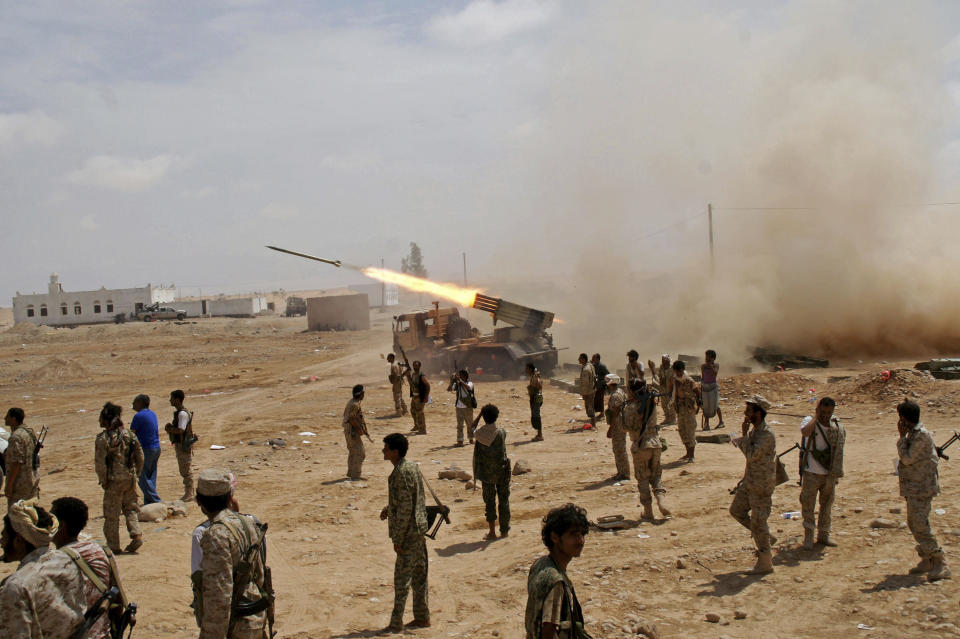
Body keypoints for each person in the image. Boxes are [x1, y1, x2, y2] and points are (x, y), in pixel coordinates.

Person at [0, 496, 130, 639]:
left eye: (3, 535)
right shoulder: (69, 561)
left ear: (18, 540)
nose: (1, 540)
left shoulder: (16, 587)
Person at [195, 468, 272, 638]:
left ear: (198, 501)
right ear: (230, 497)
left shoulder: (216, 534)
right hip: (256, 614)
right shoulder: (248, 522)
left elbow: (219, 593)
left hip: (236, 623)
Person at [379, 433, 429, 631]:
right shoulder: (411, 467)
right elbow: (408, 498)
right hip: (419, 529)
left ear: (395, 452)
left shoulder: (400, 473)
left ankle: (395, 623)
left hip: (408, 534)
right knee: (420, 576)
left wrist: (398, 539)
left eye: (386, 448)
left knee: (402, 580)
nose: (383, 451)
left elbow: (407, 507)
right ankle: (422, 617)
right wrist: (389, 509)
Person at [896, 399, 950, 581]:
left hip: (922, 487)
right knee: (913, 523)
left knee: (920, 524)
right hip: (914, 486)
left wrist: (901, 438)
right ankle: (927, 558)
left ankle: (939, 560)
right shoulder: (915, 433)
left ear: (904, 419)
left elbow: (907, 459)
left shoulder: (921, 435)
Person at [524, 503, 591, 639]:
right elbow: (548, 631)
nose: (581, 541)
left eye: (582, 534)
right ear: (555, 537)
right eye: (573, 535)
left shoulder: (541, 564)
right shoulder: (556, 582)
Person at [730, 395, 777, 574]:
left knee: (759, 521)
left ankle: (765, 561)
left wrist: (742, 438)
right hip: (751, 481)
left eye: (749, 410)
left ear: (758, 412)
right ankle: (766, 537)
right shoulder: (755, 432)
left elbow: (751, 455)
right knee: (736, 511)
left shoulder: (766, 434)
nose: (745, 413)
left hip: (761, 484)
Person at [94, 402, 144, 554]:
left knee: (111, 514)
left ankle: (113, 546)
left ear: (106, 419)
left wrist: (104, 481)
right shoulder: (130, 435)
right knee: (131, 509)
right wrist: (137, 473)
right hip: (129, 478)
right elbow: (140, 456)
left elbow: (100, 464)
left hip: (113, 481)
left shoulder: (103, 439)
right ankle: (136, 535)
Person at [798, 397, 845, 550]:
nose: (826, 415)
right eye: (823, 412)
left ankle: (824, 535)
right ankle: (809, 536)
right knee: (808, 505)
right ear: (818, 409)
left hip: (829, 473)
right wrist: (816, 418)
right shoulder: (809, 420)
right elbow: (805, 432)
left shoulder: (836, 424)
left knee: (826, 505)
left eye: (829, 412)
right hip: (811, 471)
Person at [623, 379, 670, 520]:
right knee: (656, 475)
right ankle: (662, 502)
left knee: (642, 477)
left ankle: (648, 511)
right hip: (655, 443)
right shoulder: (652, 403)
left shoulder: (631, 408)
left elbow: (625, 427)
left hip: (641, 445)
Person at [471, 404, 510, 540]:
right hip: (502, 472)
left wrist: (480, 415)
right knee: (504, 501)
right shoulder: (502, 432)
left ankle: (492, 532)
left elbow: (472, 428)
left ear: (484, 417)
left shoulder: (479, 434)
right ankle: (504, 531)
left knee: (490, 502)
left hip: (487, 474)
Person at [1, 498, 55, 573]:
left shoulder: (17, 582)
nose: (1, 543)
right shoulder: (64, 560)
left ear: (18, 540)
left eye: (3, 537)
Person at [4, 407, 40, 509]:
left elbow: (16, 463)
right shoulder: (28, 431)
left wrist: (9, 486)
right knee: (30, 511)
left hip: (20, 482)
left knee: (17, 513)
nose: (5, 418)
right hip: (32, 478)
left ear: (14, 419)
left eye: (8, 416)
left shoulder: (16, 437)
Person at [165, 389, 196, 502]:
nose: (170, 400)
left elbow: (181, 430)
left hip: (183, 445)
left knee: (186, 469)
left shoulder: (182, 414)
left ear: (177, 399)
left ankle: (189, 493)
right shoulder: (181, 413)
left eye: (172, 398)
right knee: (184, 468)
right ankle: (189, 492)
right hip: (181, 444)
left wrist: (169, 429)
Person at [130, 394, 162, 504]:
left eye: (135, 402)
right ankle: (150, 502)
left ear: (140, 403)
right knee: (150, 476)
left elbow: (131, 434)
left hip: (146, 449)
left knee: (142, 478)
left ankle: (157, 501)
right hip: (155, 447)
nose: (133, 404)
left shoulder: (138, 416)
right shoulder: (152, 413)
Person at [672, 361, 699, 462]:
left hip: (689, 409)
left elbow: (697, 392)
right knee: (682, 430)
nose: (678, 373)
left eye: (679, 371)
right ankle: (688, 453)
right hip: (680, 409)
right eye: (676, 371)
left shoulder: (689, 381)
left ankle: (691, 455)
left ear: (682, 370)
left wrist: (698, 406)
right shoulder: (675, 380)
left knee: (690, 431)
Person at [604, 374, 630, 480]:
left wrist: (610, 429)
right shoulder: (620, 392)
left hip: (618, 425)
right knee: (619, 448)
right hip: (620, 423)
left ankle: (624, 473)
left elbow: (616, 412)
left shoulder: (615, 395)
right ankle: (621, 472)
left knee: (619, 449)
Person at [342, 384, 368, 480]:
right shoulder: (355, 404)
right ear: (361, 394)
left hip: (348, 430)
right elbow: (352, 418)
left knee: (353, 451)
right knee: (360, 452)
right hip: (352, 431)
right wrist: (360, 430)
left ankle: (351, 473)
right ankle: (356, 475)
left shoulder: (352, 402)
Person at [446, 369, 476, 446]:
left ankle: (471, 439)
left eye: (461, 375)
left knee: (470, 424)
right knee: (460, 425)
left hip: (468, 407)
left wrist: (459, 380)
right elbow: (449, 389)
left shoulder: (470, 383)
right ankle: (460, 440)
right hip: (459, 407)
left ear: (465, 376)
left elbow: (468, 388)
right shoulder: (457, 384)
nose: (460, 376)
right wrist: (452, 381)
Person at [700, 350, 724, 431]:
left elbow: (715, 374)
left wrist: (710, 366)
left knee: (715, 404)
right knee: (705, 405)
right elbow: (703, 377)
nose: (707, 358)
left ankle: (721, 422)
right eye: (706, 357)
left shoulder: (716, 365)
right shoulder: (703, 366)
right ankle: (706, 424)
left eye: (709, 357)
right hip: (705, 387)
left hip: (713, 387)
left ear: (713, 358)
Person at [404, 361, 430, 435]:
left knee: (420, 413)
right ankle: (417, 426)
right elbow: (412, 385)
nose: (415, 367)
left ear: (419, 366)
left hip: (420, 397)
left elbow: (427, 385)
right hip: (414, 396)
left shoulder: (421, 375)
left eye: (416, 365)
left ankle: (422, 429)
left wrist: (426, 396)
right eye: (414, 365)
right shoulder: (414, 374)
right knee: (413, 411)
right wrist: (408, 376)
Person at [652, 355, 676, 425]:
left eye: (664, 360)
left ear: (668, 360)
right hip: (663, 388)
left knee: (671, 404)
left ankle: (673, 419)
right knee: (664, 404)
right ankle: (667, 418)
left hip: (671, 388)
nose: (663, 361)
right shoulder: (661, 367)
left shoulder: (672, 367)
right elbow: (659, 377)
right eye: (662, 360)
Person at [526, 363, 544, 442]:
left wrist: (535, 390)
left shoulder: (535, 376)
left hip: (535, 398)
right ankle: (539, 434)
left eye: (527, 369)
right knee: (535, 416)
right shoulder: (534, 376)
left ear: (530, 369)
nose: (526, 371)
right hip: (535, 398)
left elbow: (539, 385)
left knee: (536, 416)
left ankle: (540, 435)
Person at [577, 354, 596, 425]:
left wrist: (584, 394)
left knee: (589, 407)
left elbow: (585, 384)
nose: (578, 360)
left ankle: (593, 424)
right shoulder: (590, 365)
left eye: (580, 358)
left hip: (588, 391)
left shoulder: (586, 369)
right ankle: (592, 423)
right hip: (592, 389)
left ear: (583, 359)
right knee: (590, 406)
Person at [590, 354, 609, 423]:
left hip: (601, 385)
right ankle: (600, 412)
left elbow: (607, 374)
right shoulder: (594, 365)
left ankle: (602, 413)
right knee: (596, 399)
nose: (592, 359)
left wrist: (604, 382)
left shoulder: (602, 366)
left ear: (598, 359)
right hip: (597, 385)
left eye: (593, 358)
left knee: (600, 399)